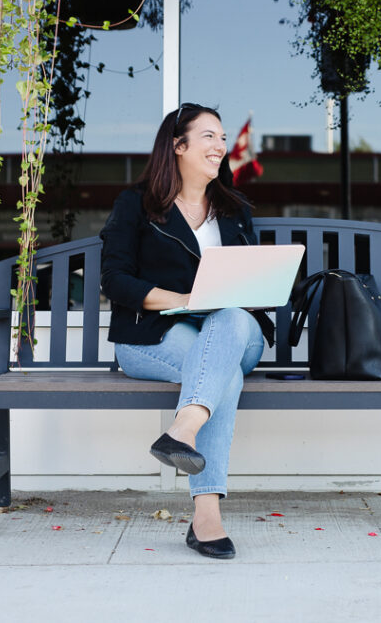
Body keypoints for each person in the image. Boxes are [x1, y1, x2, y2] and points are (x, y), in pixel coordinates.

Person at [100, 103, 274, 560]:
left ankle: (184, 427)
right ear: (177, 146)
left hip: (234, 332)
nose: (221, 147)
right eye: (209, 137)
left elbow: (248, 282)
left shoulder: (233, 210)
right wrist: (184, 301)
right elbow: (114, 281)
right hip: (154, 337)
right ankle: (206, 515)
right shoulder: (135, 206)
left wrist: (257, 289)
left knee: (232, 318)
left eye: (222, 138)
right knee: (224, 376)